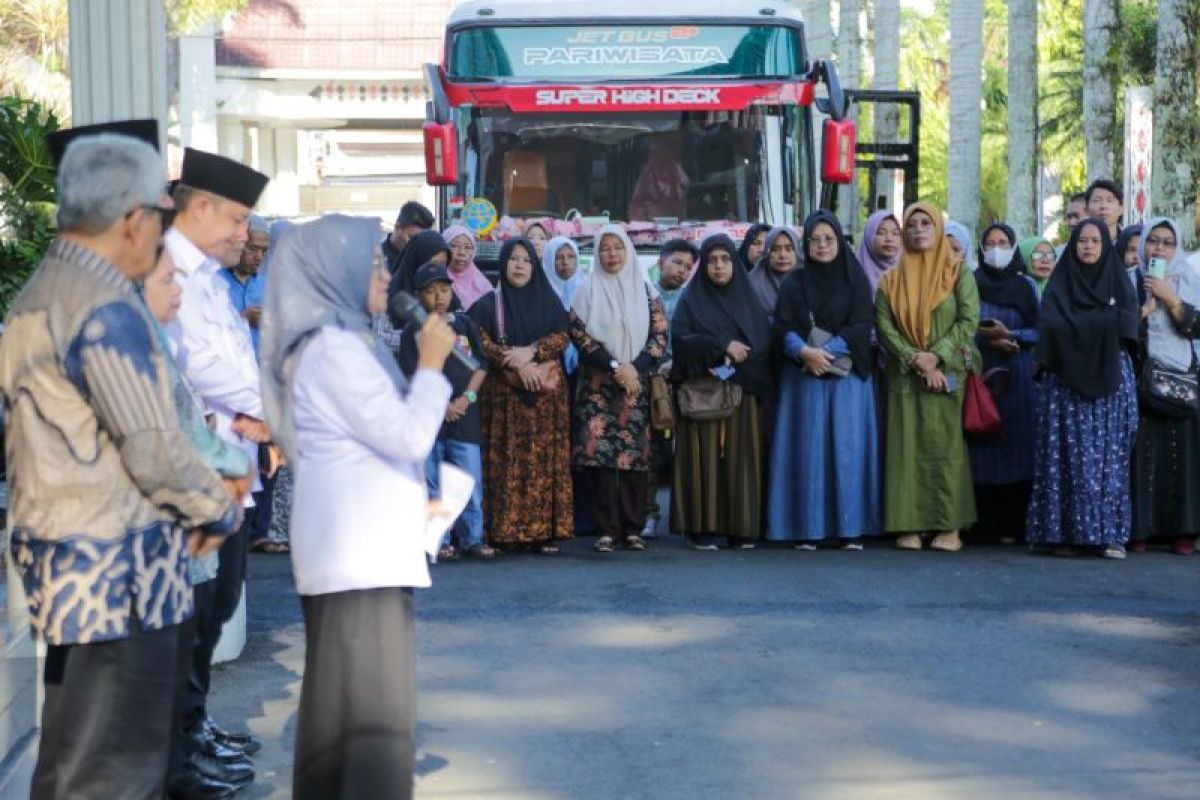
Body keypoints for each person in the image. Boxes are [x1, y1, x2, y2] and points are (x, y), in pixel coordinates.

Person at [1, 123, 243, 800]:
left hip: (70, 567)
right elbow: (156, 447)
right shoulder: (107, 306)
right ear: (134, 220)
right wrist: (216, 508)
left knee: (75, 757)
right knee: (118, 771)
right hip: (122, 577)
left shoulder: (41, 292)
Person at [260, 214, 457, 800]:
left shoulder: (335, 344)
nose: (381, 275)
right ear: (333, 274)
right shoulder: (334, 351)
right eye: (371, 264)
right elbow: (406, 436)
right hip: (359, 559)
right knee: (372, 724)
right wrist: (430, 366)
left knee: (342, 717)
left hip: (358, 552)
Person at [166, 146, 272, 788]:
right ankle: (178, 748)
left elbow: (234, 367)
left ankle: (194, 727)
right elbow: (200, 368)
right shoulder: (167, 273)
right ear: (199, 208)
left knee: (218, 603)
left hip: (232, 463)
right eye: (236, 218)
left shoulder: (208, 276)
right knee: (194, 614)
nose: (244, 233)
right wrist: (275, 411)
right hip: (196, 471)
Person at [1026, 219, 1139, 558]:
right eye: (1081, 241)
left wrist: (1078, 326)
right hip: (1065, 386)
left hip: (1110, 386)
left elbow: (1126, 322)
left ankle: (1108, 534)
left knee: (1109, 459)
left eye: (1095, 241)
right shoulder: (1060, 285)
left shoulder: (1120, 283)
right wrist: (1101, 321)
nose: (1088, 247)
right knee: (1063, 456)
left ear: (1105, 246)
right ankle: (1061, 534)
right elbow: (1049, 324)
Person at [768, 211, 880, 549]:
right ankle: (806, 528)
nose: (821, 245)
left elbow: (862, 323)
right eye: (815, 240)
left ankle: (849, 530)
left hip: (846, 378)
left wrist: (825, 352)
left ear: (839, 241)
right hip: (804, 376)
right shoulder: (794, 282)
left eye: (828, 239)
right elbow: (782, 326)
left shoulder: (856, 279)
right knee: (808, 451)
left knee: (847, 451)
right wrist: (804, 352)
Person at [875, 203, 979, 552]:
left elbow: (968, 320)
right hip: (906, 375)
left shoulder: (958, 272)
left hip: (946, 375)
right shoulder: (891, 279)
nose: (919, 230)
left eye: (926, 224)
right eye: (913, 225)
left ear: (938, 229)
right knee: (906, 448)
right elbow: (884, 326)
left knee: (945, 448)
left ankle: (949, 526)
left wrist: (937, 356)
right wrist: (915, 359)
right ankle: (910, 525)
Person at [468, 238, 575, 553]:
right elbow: (478, 339)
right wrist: (512, 362)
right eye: (513, 259)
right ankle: (501, 531)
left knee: (545, 463)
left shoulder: (549, 302)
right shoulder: (488, 304)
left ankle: (546, 533)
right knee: (504, 462)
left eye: (526, 260)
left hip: (545, 398)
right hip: (503, 399)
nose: (519, 265)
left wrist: (532, 352)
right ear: (503, 264)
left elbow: (563, 334)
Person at [668, 235, 772, 550]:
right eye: (712, 260)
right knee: (703, 459)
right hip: (703, 391)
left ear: (734, 264)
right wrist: (722, 346)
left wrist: (739, 359)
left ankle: (741, 527)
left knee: (742, 459)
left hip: (742, 390)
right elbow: (682, 339)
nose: (718, 266)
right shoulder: (691, 299)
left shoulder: (747, 298)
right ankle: (703, 527)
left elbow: (763, 342)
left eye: (725, 259)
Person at [570, 224, 669, 553]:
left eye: (618, 247)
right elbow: (579, 335)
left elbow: (659, 336)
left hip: (634, 386)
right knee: (600, 461)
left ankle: (633, 528)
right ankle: (606, 530)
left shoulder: (645, 291)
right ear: (596, 254)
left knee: (634, 460)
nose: (611, 254)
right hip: (599, 386)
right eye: (604, 248)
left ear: (628, 252)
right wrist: (615, 367)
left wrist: (633, 369)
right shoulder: (587, 289)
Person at [399, 263, 494, 560]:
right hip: (430, 418)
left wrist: (465, 399)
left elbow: (480, 366)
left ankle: (472, 537)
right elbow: (411, 376)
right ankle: (438, 540)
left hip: (465, 416)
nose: (439, 297)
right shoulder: (414, 331)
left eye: (444, 289)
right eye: (430, 291)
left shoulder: (463, 325)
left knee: (468, 479)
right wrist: (440, 406)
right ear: (418, 296)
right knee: (431, 481)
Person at [968, 223, 1041, 545]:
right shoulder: (971, 282)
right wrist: (984, 339)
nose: (996, 248)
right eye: (989, 243)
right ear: (981, 249)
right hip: (983, 375)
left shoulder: (1026, 286)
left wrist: (1013, 336)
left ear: (1013, 248)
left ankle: (1016, 524)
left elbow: (1042, 329)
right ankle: (983, 525)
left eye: (1002, 242)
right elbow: (962, 324)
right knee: (982, 446)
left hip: (1019, 376)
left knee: (1018, 448)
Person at [1131, 218, 1200, 556]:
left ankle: (1182, 532)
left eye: (1167, 242)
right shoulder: (1130, 278)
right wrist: (1144, 307)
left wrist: (1171, 299)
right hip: (1142, 380)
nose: (1159, 248)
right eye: (1153, 241)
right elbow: (1122, 326)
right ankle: (1141, 530)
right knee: (1142, 457)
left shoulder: (1188, 279)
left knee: (1182, 458)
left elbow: (1196, 327)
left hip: (1180, 378)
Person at [641, 238, 698, 538]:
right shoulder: (643, 294)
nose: (682, 271)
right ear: (660, 262)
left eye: (688, 267)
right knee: (652, 450)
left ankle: (687, 516)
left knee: (685, 451)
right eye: (677, 263)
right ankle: (648, 514)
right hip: (650, 383)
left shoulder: (692, 299)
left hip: (683, 382)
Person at [381, 229, 452, 355]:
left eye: (443, 264)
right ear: (416, 260)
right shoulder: (386, 295)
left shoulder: (447, 293)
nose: (437, 270)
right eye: (433, 263)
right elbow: (381, 339)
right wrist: (420, 338)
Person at [217, 213, 269, 351]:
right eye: (253, 249)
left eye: (264, 251)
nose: (259, 257)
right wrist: (242, 320)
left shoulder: (267, 286)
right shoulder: (215, 283)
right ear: (239, 244)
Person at [748, 226, 801, 319]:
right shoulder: (751, 284)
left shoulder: (809, 280)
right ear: (767, 252)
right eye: (775, 249)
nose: (782, 255)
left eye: (789, 249)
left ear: (797, 251)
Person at [442, 224, 493, 312]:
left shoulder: (483, 285)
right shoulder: (438, 280)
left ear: (473, 252)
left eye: (467, 247)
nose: (461, 252)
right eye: (454, 246)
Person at [856, 210, 903, 294]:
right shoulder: (853, 271)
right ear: (869, 236)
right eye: (881, 233)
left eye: (895, 233)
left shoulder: (910, 269)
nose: (889, 238)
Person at [382, 200, 435, 274]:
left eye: (421, 239)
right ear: (397, 227)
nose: (416, 244)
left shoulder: (425, 260)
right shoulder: (376, 259)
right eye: (411, 237)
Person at [1056, 192, 1089, 257]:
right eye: (1069, 217)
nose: (1072, 222)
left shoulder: (1108, 252)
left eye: (1076, 216)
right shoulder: (1058, 253)